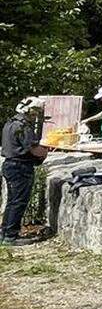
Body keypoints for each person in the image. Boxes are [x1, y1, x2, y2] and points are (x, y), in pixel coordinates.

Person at [2, 97, 51, 246]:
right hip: (20, 167)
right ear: (30, 111)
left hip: (10, 164)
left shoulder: (10, 123)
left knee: (12, 202)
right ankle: (11, 236)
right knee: (18, 202)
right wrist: (46, 150)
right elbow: (34, 149)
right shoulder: (22, 126)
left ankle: (5, 233)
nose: (36, 115)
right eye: (36, 112)